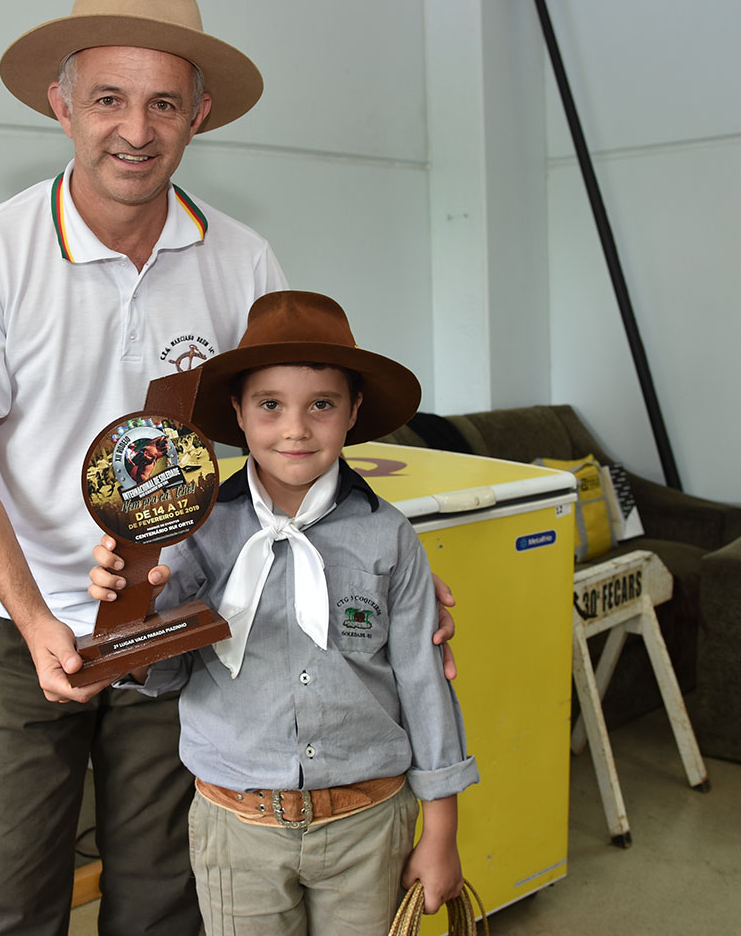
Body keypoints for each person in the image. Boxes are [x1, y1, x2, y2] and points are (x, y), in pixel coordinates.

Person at [0, 0, 456, 936]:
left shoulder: (242, 261)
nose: (136, 128)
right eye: (109, 99)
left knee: (167, 899)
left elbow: (290, 442)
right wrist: (38, 617)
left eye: (164, 102)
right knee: (12, 899)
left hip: (191, 621)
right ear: (62, 105)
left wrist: (386, 569)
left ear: (200, 113)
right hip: (23, 626)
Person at [89, 291, 478, 934]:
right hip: (236, 825)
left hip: (368, 821)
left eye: (321, 405)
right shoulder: (191, 529)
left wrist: (442, 832)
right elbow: (165, 671)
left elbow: (423, 682)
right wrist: (129, 612)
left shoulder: (390, 536)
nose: (295, 429)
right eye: (270, 406)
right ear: (238, 413)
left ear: (353, 411)